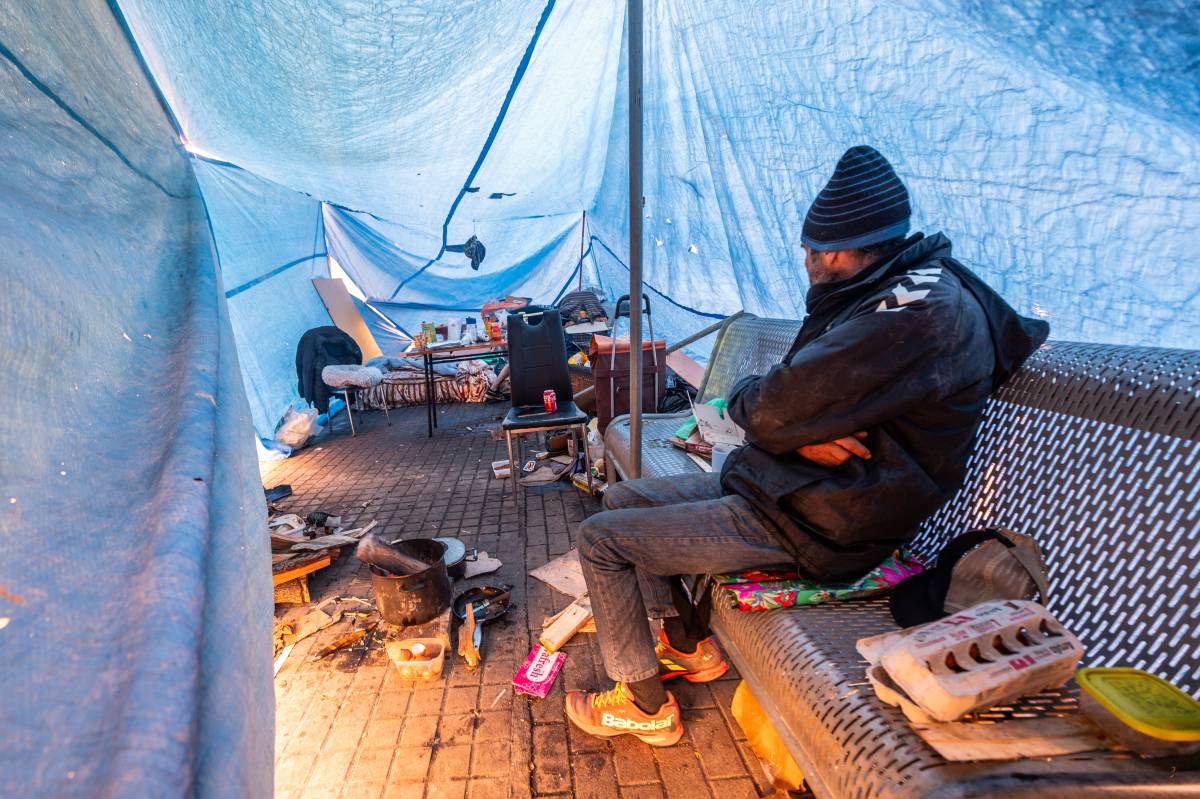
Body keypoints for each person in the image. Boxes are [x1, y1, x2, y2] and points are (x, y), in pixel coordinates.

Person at [563, 145, 1049, 746]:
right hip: (793, 485)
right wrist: (801, 433)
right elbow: (789, 411)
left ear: (838, 250)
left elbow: (767, 407)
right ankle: (687, 646)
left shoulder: (907, 314)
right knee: (623, 501)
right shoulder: (902, 285)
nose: (806, 261)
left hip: (823, 522)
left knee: (601, 541)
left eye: (810, 251)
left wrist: (783, 421)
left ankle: (642, 705)